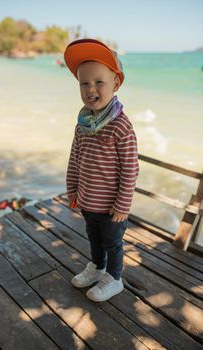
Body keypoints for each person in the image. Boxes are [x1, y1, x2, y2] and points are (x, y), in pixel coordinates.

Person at [64, 39, 139, 302]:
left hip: (111, 208)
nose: (90, 88)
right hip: (88, 201)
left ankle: (114, 278)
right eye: (84, 83)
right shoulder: (83, 123)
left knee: (113, 243)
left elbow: (130, 169)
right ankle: (97, 268)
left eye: (99, 82)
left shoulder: (120, 126)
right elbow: (75, 158)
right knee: (94, 239)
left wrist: (122, 205)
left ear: (116, 83)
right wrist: (72, 190)